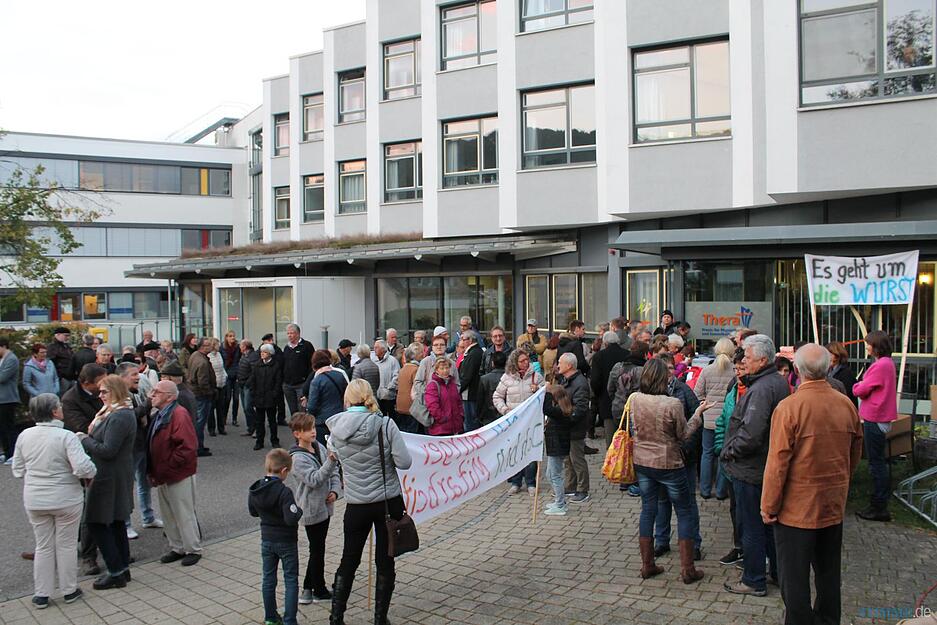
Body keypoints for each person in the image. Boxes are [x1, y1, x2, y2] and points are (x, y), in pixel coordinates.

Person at [761, 344, 863, 625]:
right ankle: (829, 620)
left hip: (796, 510)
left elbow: (777, 463)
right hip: (831, 503)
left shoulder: (790, 407)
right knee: (829, 572)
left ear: (797, 370)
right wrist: (842, 481)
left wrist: (769, 505)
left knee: (794, 577)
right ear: (828, 368)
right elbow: (854, 452)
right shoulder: (845, 404)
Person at [325, 379, 412, 625]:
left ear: (347, 398)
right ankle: (380, 618)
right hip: (387, 501)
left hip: (356, 503)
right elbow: (405, 462)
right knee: (385, 560)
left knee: (349, 559)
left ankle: (336, 617)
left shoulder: (336, 429)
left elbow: (336, 456)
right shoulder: (385, 425)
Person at [720, 334, 790, 597]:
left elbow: (751, 434)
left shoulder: (761, 389)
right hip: (761, 466)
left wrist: (728, 452)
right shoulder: (774, 382)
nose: (743, 362)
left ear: (762, 360)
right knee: (767, 524)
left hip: (751, 469)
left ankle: (753, 579)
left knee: (752, 526)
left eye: (747, 357)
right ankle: (776, 574)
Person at [12, 393, 96, 609]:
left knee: (43, 546)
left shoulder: (24, 436)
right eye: (59, 406)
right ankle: (69, 590)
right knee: (66, 544)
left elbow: (18, 470)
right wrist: (89, 473)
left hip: (35, 498)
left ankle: (41, 593)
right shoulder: (66, 436)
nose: (62, 409)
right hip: (66, 497)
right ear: (54, 412)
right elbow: (83, 467)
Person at [630, 359, 710, 583]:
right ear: (662, 378)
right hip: (669, 464)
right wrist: (698, 414)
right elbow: (684, 434)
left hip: (643, 462)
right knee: (684, 511)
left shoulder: (635, 399)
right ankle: (687, 569)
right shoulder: (672, 403)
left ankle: (647, 564)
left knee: (648, 509)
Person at [77, 374, 137, 590]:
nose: (99, 395)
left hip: (109, 475)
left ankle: (115, 571)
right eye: (99, 391)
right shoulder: (111, 412)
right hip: (109, 473)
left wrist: (84, 439)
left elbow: (109, 450)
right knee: (116, 521)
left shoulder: (120, 416)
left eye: (104, 391)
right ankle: (121, 568)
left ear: (116, 391)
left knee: (97, 522)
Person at [286, 413, 341, 605]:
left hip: (325, 507)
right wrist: (330, 461)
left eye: (314, 428)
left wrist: (335, 491)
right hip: (311, 510)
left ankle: (308, 590)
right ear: (297, 434)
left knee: (318, 549)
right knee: (317, 550)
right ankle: (319, 590)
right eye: (308, 429)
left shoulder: (319, 446)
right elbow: (315, 479)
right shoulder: (296, 459)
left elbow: (333, 473)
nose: (313, 432)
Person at [653, 353, 703, 561]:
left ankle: (694, 543)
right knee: (662, 502)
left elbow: (696, 418)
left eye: (671, 368)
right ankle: (661, 541)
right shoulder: (651, 393)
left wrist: (686, 448)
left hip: (683, 458)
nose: (668, 373)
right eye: (664, 369)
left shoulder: (684, 391)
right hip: (660, 458)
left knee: (687, 502)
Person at [147, 380, 202, 567]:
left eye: (157, 391)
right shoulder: (160, 414)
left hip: (177, 473)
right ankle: (177, 546)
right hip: (163, 473)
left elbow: (187, 447)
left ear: (170, 396)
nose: (152, 394)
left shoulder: (179, 414)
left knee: (183, 512)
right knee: (168, 513)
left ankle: (192, 548)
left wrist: (168, 466)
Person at [249, 449, 303, 625]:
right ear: (284, 471)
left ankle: (270, 617)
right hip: (286, 541)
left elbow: (252, 512)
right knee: (290, 579)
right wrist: (298, 511)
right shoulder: (284, 492)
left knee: (268, 579)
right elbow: (290, 518)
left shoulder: (256, 489)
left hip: (267, 539)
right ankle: (289, 620)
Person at [852, 330, 898, 522]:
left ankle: (879, 505)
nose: (867, 347)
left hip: (875, 417)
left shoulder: (880, 366)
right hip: (881, 417)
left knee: (876, 463)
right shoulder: (887, 364)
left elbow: (861, 389)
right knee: (878, 462)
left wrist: (857, 386)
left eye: (869, 344)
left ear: (877, 346)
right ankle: (879, 502)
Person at [116, 362, 161, 538]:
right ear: (121, 378)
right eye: (133, 374)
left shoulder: (134, 392)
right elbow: (131, 416)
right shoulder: (117, 396)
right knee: (127, 486)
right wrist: (148, 403)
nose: (138, 377)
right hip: (128, 448)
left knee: (144, 482)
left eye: (138, 373)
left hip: (141, 443)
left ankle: (148, 517)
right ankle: (126, 524)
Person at [493, 349, 545, 494]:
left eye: (527, 359)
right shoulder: (507, 377)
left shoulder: (536, 376)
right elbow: (497, 396)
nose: (526, 362)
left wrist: (539, 389)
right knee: (514, 451)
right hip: (514, 422)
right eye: (522, 361)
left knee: (530, 451)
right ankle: (515, 482)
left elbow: (544, 395)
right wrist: (505, 410)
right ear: (515, 363)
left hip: (531, 421)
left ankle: (530, 483)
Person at [713, 349, 746, 566]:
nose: (739, 372)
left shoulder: (757, 391)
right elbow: (723, 420)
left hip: (747, 462)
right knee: (735, 508)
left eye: (742, 367)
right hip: (729, 460)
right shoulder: (733, 388)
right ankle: (739, 547)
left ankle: (753, 553)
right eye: (736, 368)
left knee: (748, 510)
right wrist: (718, 444)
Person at [693, 337, 736, 499]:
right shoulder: (735, 371)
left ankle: (704, 490)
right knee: (723, 455)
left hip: (709, 419)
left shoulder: (707, 370)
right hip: (727, 420)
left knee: (707, 453)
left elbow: (697, 393)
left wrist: (706, 403)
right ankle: (720, 491)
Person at [554, 353, 591, 503]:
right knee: (568, 459)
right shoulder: (568, 380)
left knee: (577, 459)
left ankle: (583, 490)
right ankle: (570, 486)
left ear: (569, 365)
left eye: (560, 363)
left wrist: (566, 420)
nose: (558, 365)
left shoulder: (580, 383)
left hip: (575, 427)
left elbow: (580, 408)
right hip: (568, 426)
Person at [590, 331, 629, 442]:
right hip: (625, 398)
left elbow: (595, 380)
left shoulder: (599, 356)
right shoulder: (626, 354)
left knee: (610, 437)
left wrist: (598, 395)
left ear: (605, 343)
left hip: (605, 398)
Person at [608, 341, 648, 448]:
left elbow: (610, 388)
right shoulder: (645, 371)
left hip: (618, 408)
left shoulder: (618, 367)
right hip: (637, 411)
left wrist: (617, 399)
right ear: (645, 354)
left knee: (621, 440)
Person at [541, 384, 573, 516]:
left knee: (555, 476)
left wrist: (547, 392)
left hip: (557, 448)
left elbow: (545, 408)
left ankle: (560, 504)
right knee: (550, 474)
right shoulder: (561, 410)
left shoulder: (559, 412)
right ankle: (559, 501)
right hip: (555, 447)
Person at [303, 350, 348, 442]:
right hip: (340, 417)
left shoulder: (316, 381)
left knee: (324, 449)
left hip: (323, 421)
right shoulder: (339, 375)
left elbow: (312, 407)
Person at [185, 337, 216, 457]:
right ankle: (198, 447)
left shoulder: (195, 356)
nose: (211, 347)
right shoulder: (202, 362)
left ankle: (199, 445)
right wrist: (210, 393)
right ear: (203, 347)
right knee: (200, 422)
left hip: (195, 393)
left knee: (198, 420)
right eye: (208, 345)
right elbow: (203, 382)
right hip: (201, 395)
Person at [250, 344, 283, 451]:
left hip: (271, 398)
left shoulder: (275, 365)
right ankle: (259, 441)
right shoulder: (257, 365)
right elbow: (253, 381)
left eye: (264, 352)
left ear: (270, 353)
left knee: (272, 421)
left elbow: (278, 382)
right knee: (259, 421)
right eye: (261, 352)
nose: (262, 354)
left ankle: (274, 440)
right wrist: (253, 394)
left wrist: (274, 394)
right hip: (259, 397)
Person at [282, 324, 315, 419]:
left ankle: (303, 430)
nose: (289, 335)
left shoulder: (307, 346)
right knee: (293, 411)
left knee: (302, 410)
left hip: (301, 384)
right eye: (288, 333)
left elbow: (312, 365)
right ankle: (296, 430)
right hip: (288, 385)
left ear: (298, 334)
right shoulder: (287, 348)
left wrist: (308, 382)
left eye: (291, 333)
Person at [425, 358, 464, 436]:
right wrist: (443, 418)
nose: (445, 370)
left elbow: (458, 401)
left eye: (447, 368)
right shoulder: (433, 385)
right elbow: (433, 406)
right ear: (436, 370)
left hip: (455, 426)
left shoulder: (452, 384)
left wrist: (461, 415)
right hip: (440, 429)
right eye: (442, 368)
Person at [395, 343, 425, 434]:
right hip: (411, 408)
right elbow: (418, 389)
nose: (423, 355)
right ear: (415, 355)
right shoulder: (416, 369)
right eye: (421, 353)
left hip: (400, 406)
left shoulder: (403, 369)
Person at [0, 336, 21, 465]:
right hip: (1, 399)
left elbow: (2, 377)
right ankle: (6, 452)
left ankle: (13, 453)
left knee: (9, 426)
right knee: (2, 427)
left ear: (3, 346)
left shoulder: (11, 359)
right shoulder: (2, 359)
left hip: (8, 398)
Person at [457, 331, 483, 432]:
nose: (461, 342)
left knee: (470, 423)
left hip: (470, 394)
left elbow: (467, 376)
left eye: (463, 339)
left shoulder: (473, 353)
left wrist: (458, 389)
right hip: (470, 392)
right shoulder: (473, 352)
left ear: (470, 340)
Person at [476, 350, 507, 427]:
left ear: (492, 363)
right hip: (506, 415)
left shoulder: (484, 379)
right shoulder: (510, 378)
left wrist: (479, 416)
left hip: (488, 417)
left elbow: (480, 400)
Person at [372, 340, 400, 421]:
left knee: (391, 417)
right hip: (377, 396)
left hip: (389, 396)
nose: (374, 349)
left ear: (383, 349)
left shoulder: (393, 361)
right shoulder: (373, 361)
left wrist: (389, 388)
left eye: (376, 347)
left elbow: (397, 376)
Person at [238, 340, 260, 437]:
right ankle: (250, 427)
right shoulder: (243, 355)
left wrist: (248, 383)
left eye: (241, 345)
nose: (240, 347)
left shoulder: (253, 356)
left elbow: (254, 372)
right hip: (241, 384)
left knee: (248, 407)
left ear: (245, 346)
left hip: (248, 386)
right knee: (245, 408)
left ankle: (257, 427)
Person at [826, 341, 858, 407]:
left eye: (830, 355)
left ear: (838, 356)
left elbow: (846, 394)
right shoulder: (828, 371)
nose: (827, 357)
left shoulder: (846, 373)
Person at [208, 338, 228, 436]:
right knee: (211, 408)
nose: (219, 346)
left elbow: (222, 367)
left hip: (222, 383)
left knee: (221, 407)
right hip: (213, 385)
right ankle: (211, 428)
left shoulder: (219, 354)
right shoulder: (208, 356)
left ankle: (221, 428)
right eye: (217, 344)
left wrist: (225, 376)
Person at [221, 331, 242, 428]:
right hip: (227, 374)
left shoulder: (238, 347)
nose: (232, 338)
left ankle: (234, 418)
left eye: (233, 336)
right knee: (227, 397)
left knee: (236, 398)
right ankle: (224, 417)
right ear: (226, 338)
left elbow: (239, 360)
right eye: (230, 336)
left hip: (236, 374)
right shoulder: (223, 348)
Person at [46, 327, 75, 394]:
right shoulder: (52, 347)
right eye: (65, 335)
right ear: (57, 335)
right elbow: (50, 364)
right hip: (61, 378)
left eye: (68, 336)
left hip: (70, 377)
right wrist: (58, 377)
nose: (67, 338)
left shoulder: (67, 347)